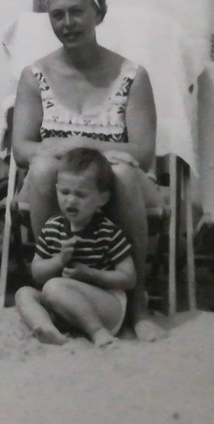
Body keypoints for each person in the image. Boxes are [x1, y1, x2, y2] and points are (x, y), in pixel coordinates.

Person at [10, 0, 163, 341]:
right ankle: (59, 290)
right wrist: (55, 155)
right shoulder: (35, 75)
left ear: (98, 13)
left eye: (77, 11)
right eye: (57, 15)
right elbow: (21, 147)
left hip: (120, 185)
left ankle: (138, 304)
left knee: (125, 172)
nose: (67, 22)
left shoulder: (132, 76)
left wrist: (80, 145)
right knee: (44, 169)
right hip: (63, 188)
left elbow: (142, 153)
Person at [14, 147, 136, 347]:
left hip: (107, 306)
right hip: (64, 304)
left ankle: (98, 332)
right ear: (56, 190)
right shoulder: (53, 227)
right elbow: (37, 272)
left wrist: (90, 274)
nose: (71, 200)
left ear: (102, 198)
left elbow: (129, 278)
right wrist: (58, 260)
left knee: (54, 287)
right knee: (24, 293)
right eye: (64, 192)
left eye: (80, 194)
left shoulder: (106, 231)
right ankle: (48, 330)